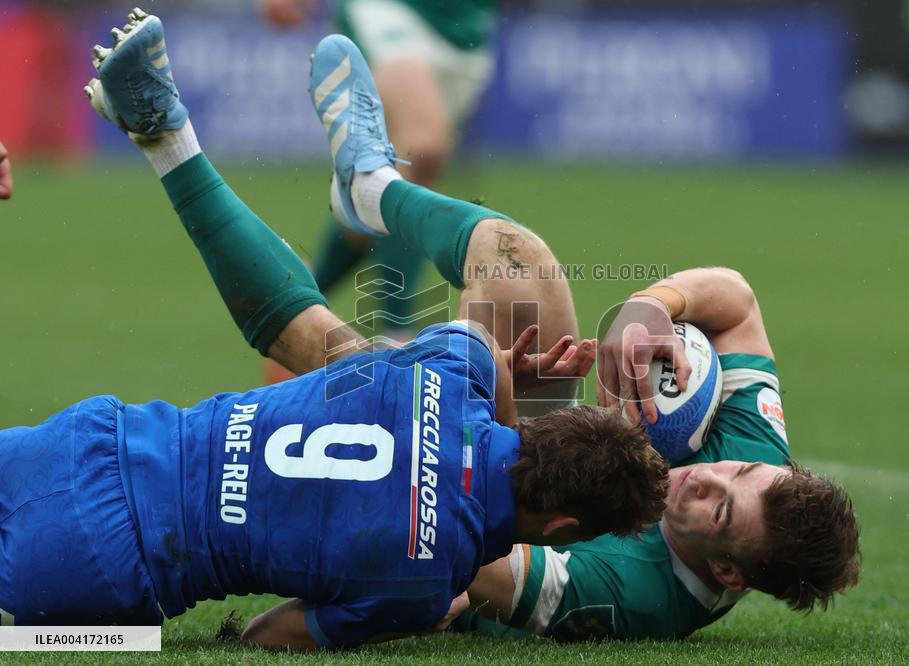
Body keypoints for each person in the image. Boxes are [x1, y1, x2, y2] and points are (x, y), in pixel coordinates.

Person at [0, 10, 672, 646]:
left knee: (381, 345)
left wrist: (495, 402)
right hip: (111, 573)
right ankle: (310, 175)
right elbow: (269, 636)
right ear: (561, 528)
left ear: (542, 428)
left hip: (107, 441)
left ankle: (339, 182)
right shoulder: (424, 589)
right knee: (104, 636)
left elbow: (485, 353)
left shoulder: (456, 376)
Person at [456, 275, 861, 641]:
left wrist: (492, 396)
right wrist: (652, 305)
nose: (707, 477)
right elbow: (739, 305)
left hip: (441, 487)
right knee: (520, 272)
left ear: (726, 572)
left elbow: (452, 541)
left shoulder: (633, 593)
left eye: (720, 510)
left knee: (513, 282)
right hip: (491, 438)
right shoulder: (764, 468)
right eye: (739, 470)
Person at [260, 0, 499, 345]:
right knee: (420, 150)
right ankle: (397, 335)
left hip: (467, 31)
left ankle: (296, 301)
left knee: (375, 200)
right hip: (389, 11)